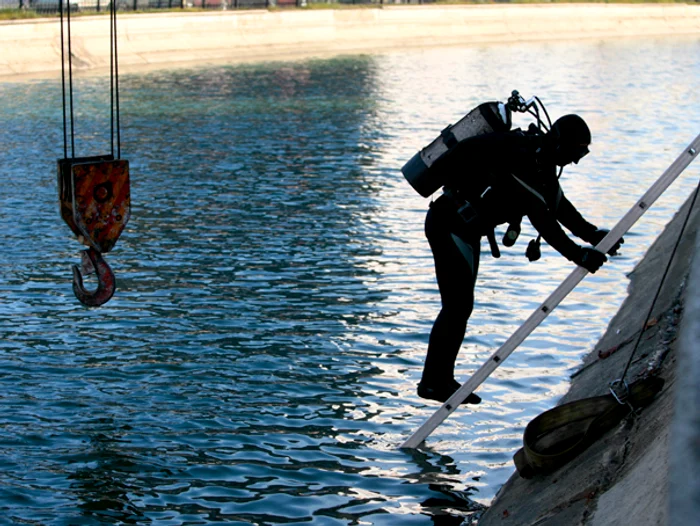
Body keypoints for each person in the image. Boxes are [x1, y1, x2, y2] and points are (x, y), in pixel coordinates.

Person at [417, 114, 623, 404]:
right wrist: (578, 254)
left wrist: (593, 236)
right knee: (457, 306)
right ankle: (433, 382)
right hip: (448, 225)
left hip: (465, 229)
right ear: (560, 142)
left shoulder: (542, 160)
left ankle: (439, 379)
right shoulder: (522, 157)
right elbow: (542, 218)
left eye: (582, 154)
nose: (575, 161)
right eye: (575, 152)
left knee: (460, 307)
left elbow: (559, 205)